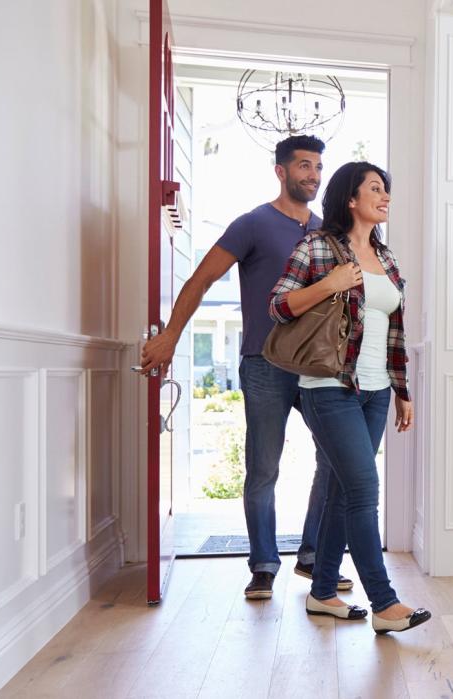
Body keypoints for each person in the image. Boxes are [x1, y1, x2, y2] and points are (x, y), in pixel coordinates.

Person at [139, 134, 353, 600]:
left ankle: (314, 555)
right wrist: (171, 335)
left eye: (317, 167)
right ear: (281, 171)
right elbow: (200, 280)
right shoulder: (253, 224)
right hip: (265, 363)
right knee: (263, 467)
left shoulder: (325, 233)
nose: (313, 175)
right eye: (303, 166)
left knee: (335, 460)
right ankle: (263, 564)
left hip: (318, 368)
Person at [269, 160, 431, 633]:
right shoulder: (317, 247)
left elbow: (395, 331)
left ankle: (322, 593)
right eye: (376, 189)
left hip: (377, 392)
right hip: (329, 388)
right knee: (363, 491)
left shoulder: (388, 257)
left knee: (342, 491)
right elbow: (277, 305)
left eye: (387, 190)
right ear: (351, 198)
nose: (386, 198)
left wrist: (403, 392)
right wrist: (328, 283)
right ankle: (384, 604)